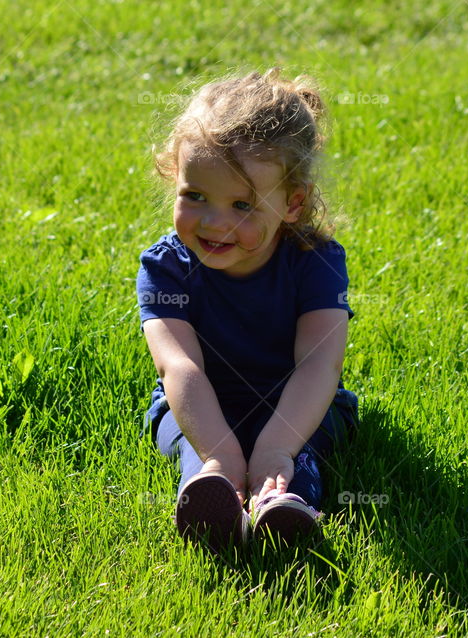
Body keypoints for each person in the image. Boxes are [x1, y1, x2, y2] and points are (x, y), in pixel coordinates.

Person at [136, 68, 360, 554]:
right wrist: (220, 453)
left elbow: (319, 365)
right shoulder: (165, 268)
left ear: (292, 204)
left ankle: (284, 505)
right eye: (195, 196)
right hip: (197, 405)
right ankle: (212, 499)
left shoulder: (315, 263)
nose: (215, 222)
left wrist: (277, 446)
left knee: (299, 447)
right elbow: (180, 367)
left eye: (242, 205)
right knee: (202, 455)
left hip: (300, 403)